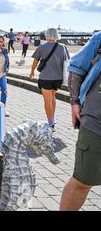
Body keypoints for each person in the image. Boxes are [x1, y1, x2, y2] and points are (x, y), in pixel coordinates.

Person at [60, 32, 101, 211]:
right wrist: (74, 101)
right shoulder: (100, 39)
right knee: (82, 181)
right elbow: (76, 68)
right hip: (96, 122)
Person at [29, 28, 70, 130]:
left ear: (46, 35)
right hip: (58, 78)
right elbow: (67, 62)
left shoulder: (42, 47)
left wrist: (32, 71)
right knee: (52, 97)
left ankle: (51, 123)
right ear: (57, 35)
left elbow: (36, 61)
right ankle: (52, 118)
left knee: (47, 100)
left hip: (45, 78)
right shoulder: (63, 47)